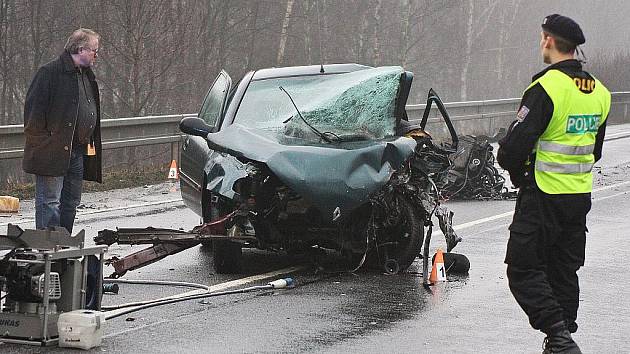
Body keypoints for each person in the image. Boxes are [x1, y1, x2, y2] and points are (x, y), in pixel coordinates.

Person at [498, 14, 610, 354]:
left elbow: (511, 152)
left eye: (542, 37)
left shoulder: (546, 89)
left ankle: (558, 335)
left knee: (522, 268)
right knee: (564, 270)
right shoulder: (600, 93)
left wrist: (518, 169)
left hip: (543, 194)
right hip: (578, 197)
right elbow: (596, 151)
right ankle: (561, 338)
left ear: (548, 40)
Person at [23, 28, 103, 234]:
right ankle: (48, 249)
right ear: (81, 49)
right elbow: (33, 115)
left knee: (71, 202)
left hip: (77, 151)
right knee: (50, 201)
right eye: (94, 50)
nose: (96, 54)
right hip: (52, 151)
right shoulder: (50, 73)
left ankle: (64, 243)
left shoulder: (86, 75)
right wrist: (45, 144)